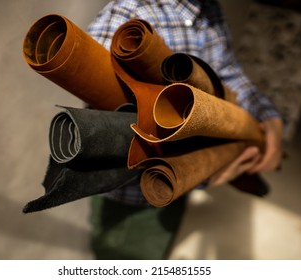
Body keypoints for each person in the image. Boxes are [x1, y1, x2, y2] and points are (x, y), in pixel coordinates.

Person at [86, 0, 284, 259]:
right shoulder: (128, 13)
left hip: (177, 191)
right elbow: (104, 131)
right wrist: (207, 165)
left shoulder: (210, 10)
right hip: (131, 201)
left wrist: (270, 119)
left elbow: (229, 73)